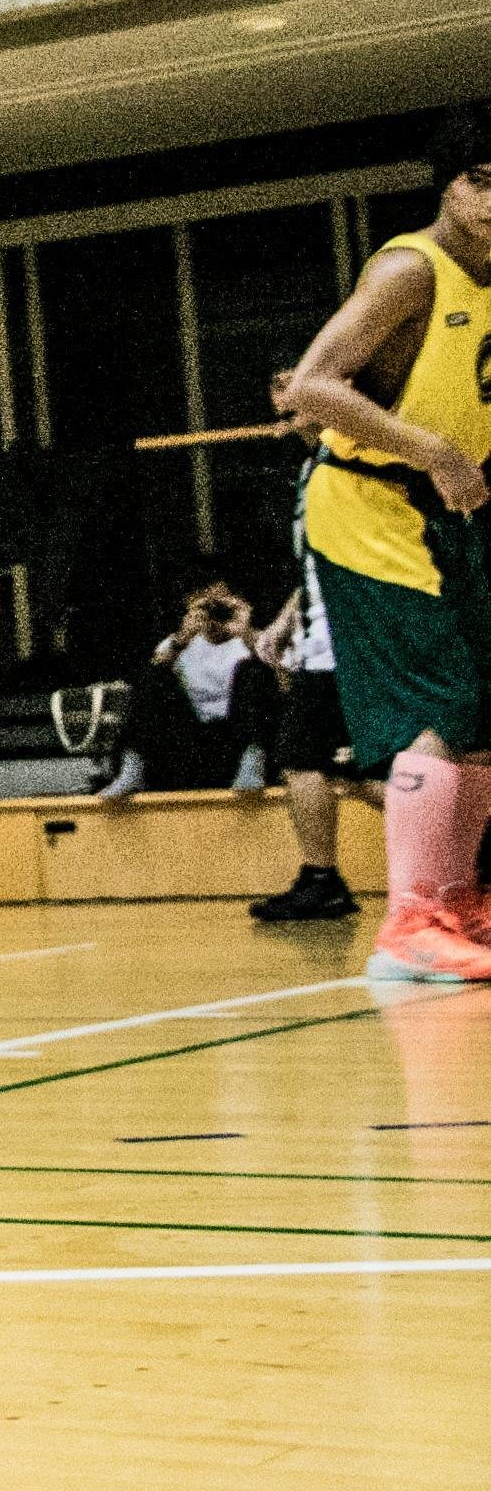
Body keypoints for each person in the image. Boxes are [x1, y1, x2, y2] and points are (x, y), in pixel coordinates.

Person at [279, 107, 491, 982]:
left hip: (449, 510)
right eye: (486, 180)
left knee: (480, 711)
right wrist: (432, 449)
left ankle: (456, 897)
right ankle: (408, 922)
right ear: (455, 186)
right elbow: (312, 387)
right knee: (438, 702)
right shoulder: (413, 269)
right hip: (373, 506)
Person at [250, 372, 368, 924]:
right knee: (358, 769)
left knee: (301, 756)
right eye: (281, 415)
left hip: (348, 640)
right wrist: (284, 617)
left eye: (294, 412)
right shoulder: (311, 467)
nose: (286, 427)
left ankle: (321, 879)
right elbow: (318, 560)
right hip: (325, 635)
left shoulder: (355, 454)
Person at [104, 575, 275, 801]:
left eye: (220, 605)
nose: (214, 615)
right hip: (188, 743)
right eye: (206, 606)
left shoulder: (256, 641)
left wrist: (245, 633)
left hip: (238, 740)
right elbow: (151, 682)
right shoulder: (178, 643)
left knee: (252, 669)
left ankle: (254, 761)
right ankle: (134, 765)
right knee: (155, 673)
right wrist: (184, 637)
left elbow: (282, 684)